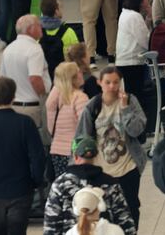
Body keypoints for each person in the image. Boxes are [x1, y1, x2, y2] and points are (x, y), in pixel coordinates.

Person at [75, 66, 147, 226]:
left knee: (131, 209)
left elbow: (136, 131)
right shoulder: (93, 106)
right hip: (102, 171)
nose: (112, 86)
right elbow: (82, 138)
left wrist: (125, 108)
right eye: (108, 82)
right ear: (100, 83)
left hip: (128, 168)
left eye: (116, 82)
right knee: (104, 213)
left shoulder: (130, 100)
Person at [0, 76, 44, 234]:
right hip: (21, 189)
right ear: (14, 96)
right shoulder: (25, 123)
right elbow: (38, 157)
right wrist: (36, 180)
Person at [44, 136, 136, 235]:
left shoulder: (60, 185)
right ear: (96, 156)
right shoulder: (111, 183)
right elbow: (125, 222)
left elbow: (51, 224)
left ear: (74, 156)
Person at [0, 14, 49, 133]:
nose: (41, 26)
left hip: (13, 106)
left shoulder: (9, 49)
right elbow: (35, 78)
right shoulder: (34, 49)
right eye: (38, 24)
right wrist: (44, 97)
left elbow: (2, 79)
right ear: (30, 29)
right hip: (32, 108)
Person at [46, 61, 91, 178]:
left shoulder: (53, 97)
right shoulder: (80, 97)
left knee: (64, 188)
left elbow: (51, 128)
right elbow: (85, 128)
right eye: (78, 72)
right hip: (75, 152)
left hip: (56, 151)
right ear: (73, 78)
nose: (82, 73)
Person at [114, 0, 150, 113]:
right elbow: (145, 41)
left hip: (124, 61)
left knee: (130, 96)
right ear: (140, 1)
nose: (148, 1)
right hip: (132, 62)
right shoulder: (134, 17)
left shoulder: (125, 14)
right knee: (136, 99)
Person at [39, 0, 80, 77]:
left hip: (43, 75)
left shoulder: (37, 32)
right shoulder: (68, 32)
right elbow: (77, 57)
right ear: (56, 11)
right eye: (60, 7)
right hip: (64, 76)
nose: (62, 9)